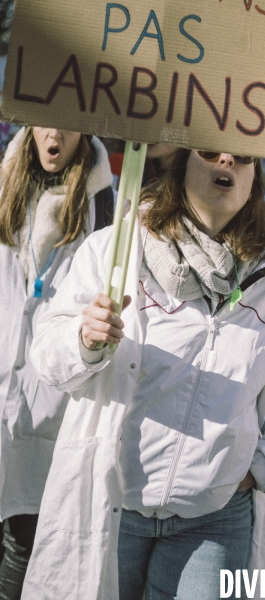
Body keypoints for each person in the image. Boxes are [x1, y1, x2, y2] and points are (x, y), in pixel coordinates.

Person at [24, 149, 265, 600]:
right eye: (210, 151)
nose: (228, 159)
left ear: (256, 178)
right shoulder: (118, 249)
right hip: (115, 506)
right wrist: (84, 339)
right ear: (181, 164)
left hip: (215, 519)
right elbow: (46, 353)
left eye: (245, 156)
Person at [0, 126, 113, 598]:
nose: (54, 134)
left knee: (25, 539)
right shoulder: (5, 187)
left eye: (67, 124)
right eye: (44, 123)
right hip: (5, 393)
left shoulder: (104, 205)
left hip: (53, 404)